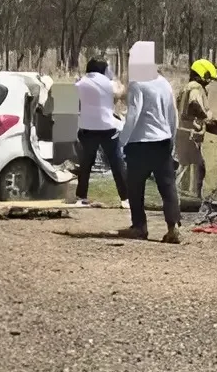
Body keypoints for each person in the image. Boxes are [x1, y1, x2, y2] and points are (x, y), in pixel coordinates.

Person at [117, 56, 181, 243]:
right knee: (168, 186)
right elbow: (173, 114)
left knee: (135, 187)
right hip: (162, 141)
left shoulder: (138, 85)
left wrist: (122, 140)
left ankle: (139, 227)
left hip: (140, 143)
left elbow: (133, 115)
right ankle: (173, 227)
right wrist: (172, 138)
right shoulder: (164, 84)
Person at [73, 57, 124, 207]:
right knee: (116, 163)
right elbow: (120, 92)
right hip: (108, 128)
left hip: (87, 128)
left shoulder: (80, 83)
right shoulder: (109, 83)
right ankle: (125, 198)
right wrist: (115, 78)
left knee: (85, 164)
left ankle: (81, 196)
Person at [175, 60, 217, 204]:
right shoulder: (196, 87)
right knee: (199, 166)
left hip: (182, 131)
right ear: (201, 74)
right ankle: (195, 197)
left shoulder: (185, 87)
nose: (208, 82)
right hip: (190, 133)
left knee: (184, 164)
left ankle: (178, 195)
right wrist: (205, 118)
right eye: (207, 77)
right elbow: (194, 104)